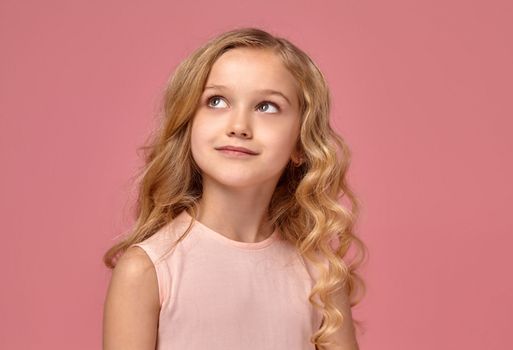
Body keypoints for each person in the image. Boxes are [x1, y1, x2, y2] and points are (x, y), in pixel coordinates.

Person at [102, 27, 368, 350]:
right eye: (217, 101)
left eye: (267, 107)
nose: (239, 127)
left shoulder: (321, 276)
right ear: (188, 125)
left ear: (301, 143)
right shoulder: (147, 271)